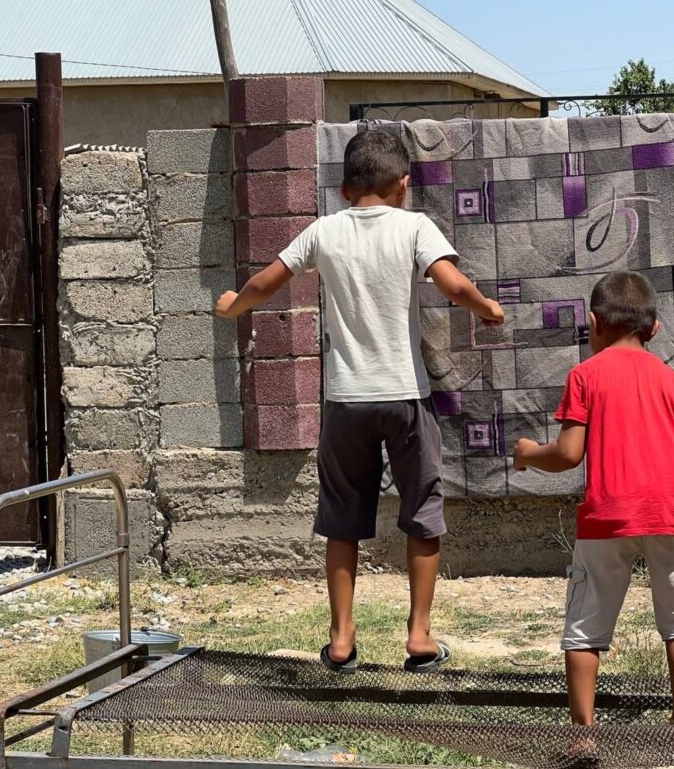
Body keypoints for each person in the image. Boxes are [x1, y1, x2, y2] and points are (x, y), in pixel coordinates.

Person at [215, 129, 504, 674]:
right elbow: (452, 284)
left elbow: (265, 283)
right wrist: (487, 307)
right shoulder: (415, 226)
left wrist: (233, 308)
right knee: (423, 512)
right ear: (404, 184)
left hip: (345, 399)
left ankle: (342, 637)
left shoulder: (324, 231)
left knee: (343, 519)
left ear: (346, 187)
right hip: (406, 396)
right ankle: (419, 635)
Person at [513, 271, 674, 726]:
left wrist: (528, 454)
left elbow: (569, 453)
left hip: (607, 517)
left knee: (585, 627)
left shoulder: (584, 376)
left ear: (594, 323)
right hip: (670, 513)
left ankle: (583, 732)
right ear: (653, 330)